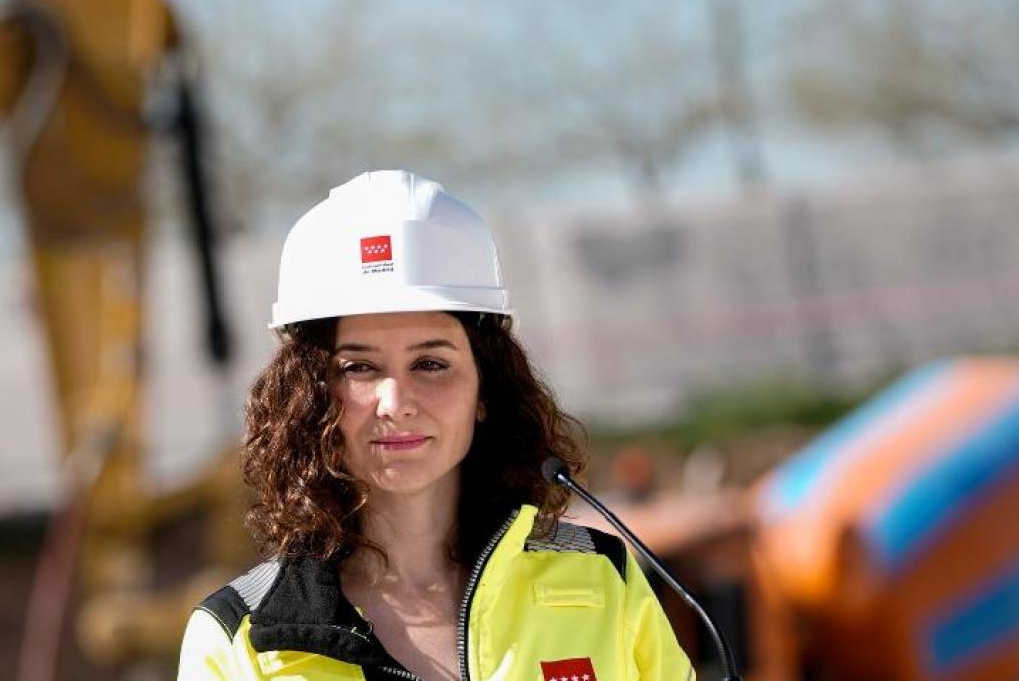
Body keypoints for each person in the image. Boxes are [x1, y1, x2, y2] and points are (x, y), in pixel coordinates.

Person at [177, 170, 692, 681]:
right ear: (308, 397)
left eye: (430, 364)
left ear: (485, 389)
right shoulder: (240, 639)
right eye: (359, 368)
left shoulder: (603, 577)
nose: (395, 403)